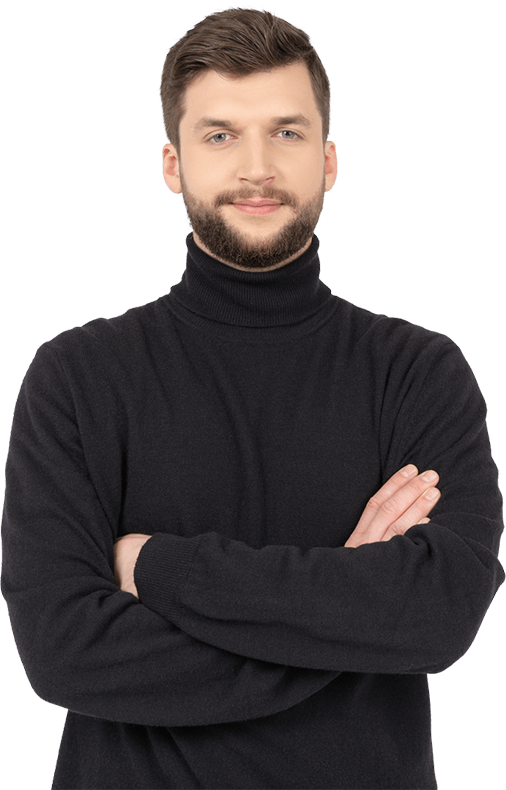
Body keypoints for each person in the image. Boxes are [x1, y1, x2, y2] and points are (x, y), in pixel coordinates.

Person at [1, 7, 504, 789]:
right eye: (220, 135)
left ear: (328, 160)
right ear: (173, 164)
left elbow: (439, 615)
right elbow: (65, 652)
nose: (257, 167)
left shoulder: (417, 371)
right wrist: (352, 608)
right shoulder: (77, 377)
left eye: (287, 132)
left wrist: (157, 566)